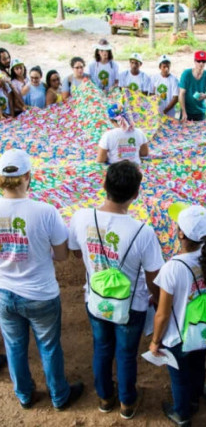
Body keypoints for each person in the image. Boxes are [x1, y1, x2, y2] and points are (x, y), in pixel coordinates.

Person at [68, 160, 164, 419]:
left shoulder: (81, 217)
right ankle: (127, 403)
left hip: (96, 300)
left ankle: (104, 398)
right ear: (136, 194)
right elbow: (154, 277)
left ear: (104, 185)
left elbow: (76, 252)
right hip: (131, 307)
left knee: (101, 347)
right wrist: (155, 301)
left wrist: (96, 261)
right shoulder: (143, 233)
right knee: (125, 354)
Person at [0, 148, 84, 409]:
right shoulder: (46, 211)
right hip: (40, 294)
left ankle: (24, 395)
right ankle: (59, 396)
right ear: (28, 176)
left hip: (4, 291)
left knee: (14, 347)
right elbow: (61, 255)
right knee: (49, 347)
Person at [149, 205, 206, 427]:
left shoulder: (173, 267)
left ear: (180, 233)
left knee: (178, 376)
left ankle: (182, 414)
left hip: (178, 337)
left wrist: (155, 341)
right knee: (198, 365)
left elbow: (162, 313)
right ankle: (195, 399)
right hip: (202, 328)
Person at [179, 51, 206, 122]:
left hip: (200, 112)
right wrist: (183, 112)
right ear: (194, 61)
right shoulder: (186, 74)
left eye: (203, 61)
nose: (201, 63)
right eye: (199, 61)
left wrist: (205, 96)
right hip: (187, 110)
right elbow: (181, 93)